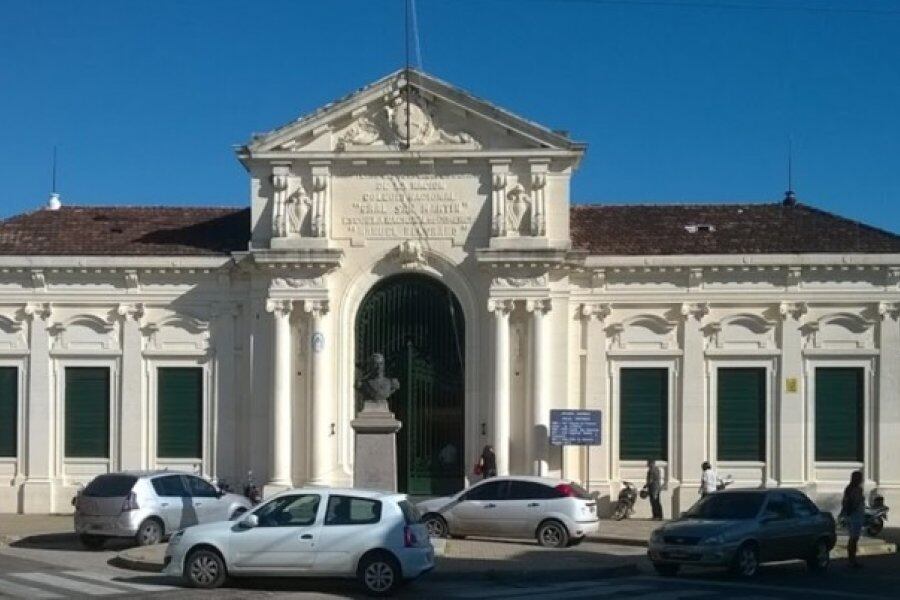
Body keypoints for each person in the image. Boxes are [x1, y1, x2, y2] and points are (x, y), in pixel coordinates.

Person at [841, 470, 865, 568]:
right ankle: (852, 560)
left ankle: (852, 559)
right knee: (854, 538)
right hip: (855, 516)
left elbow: (845, 502)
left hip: (852, 515)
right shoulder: (856, 489)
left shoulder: (849, 488)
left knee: (853, 538)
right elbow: (853, 502)